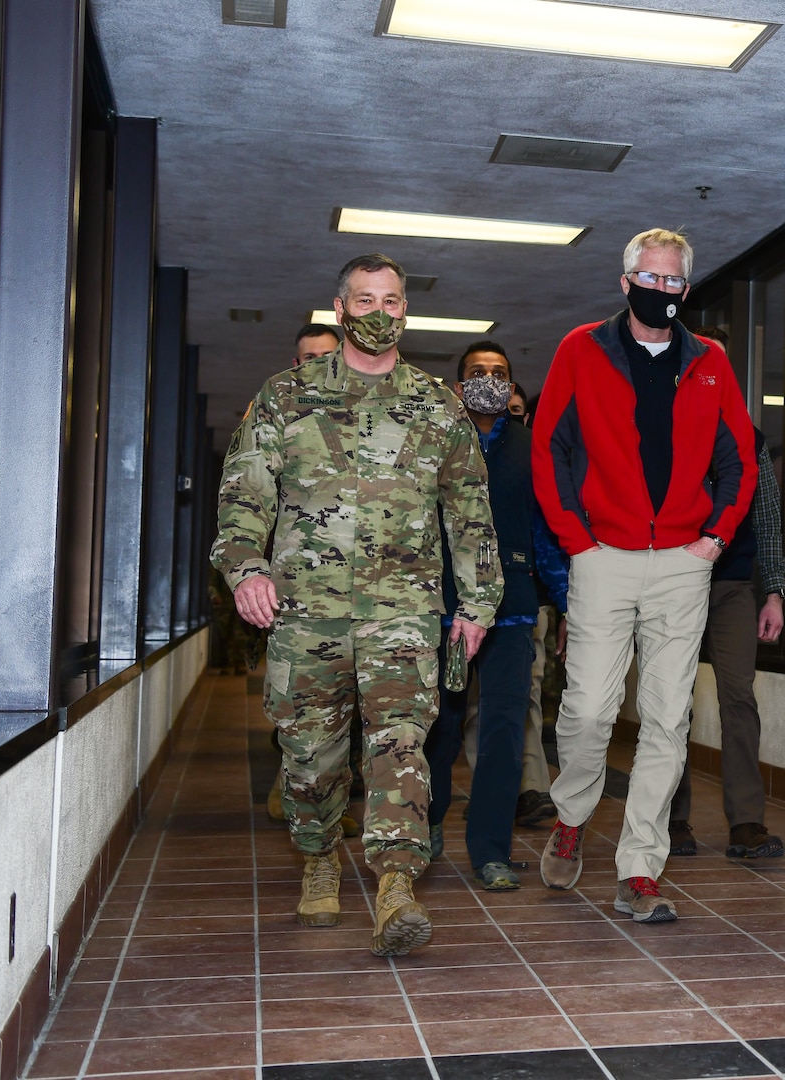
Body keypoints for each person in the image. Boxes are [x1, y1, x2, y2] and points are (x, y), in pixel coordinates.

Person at [213, 253, 502, 956]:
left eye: (392, 301)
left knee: (401, 743)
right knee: (309, 756)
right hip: (305, 613)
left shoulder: (439, 407)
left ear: (407, 310)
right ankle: (317, 856)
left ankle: (396, 885)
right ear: (341, 309)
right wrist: (247, 569)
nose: (380, 313)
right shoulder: (285, 396)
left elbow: (469, 511)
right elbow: (243, 495)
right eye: (365, 301)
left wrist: (478, 603)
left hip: (402, 610)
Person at [532, 228, 756, 923]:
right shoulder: (582, 348)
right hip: (602, 559)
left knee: (667, 718)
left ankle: (640, 866)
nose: (661, 292)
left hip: (683, 566)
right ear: (626, 282)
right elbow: (550, 449)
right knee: (591, 708)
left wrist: (713, 541)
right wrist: (579, 543)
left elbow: (740, 462)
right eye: (648, 279)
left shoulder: (711, 362)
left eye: (673, 282)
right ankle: (572, 814)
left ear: (686, 290)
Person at [424, 341, 567, 890]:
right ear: (458, 387)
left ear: (511, 387)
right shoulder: (435, 444)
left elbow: (547, 536)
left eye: (499, 373)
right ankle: (429, 824)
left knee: (506, 731)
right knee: (441, 727)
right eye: (477, 373)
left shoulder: (532, 450)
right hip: (445, 614)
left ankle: (491, 849)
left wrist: (565, 602)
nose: (489, 380)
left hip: (511, 614)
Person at [667, 327, 785, 860]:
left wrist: (776, 592)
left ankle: (746, 822)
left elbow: (767, 518)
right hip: (673, 582)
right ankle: (671, 821)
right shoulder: (662, 425)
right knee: (671, 703)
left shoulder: (749, 436)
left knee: (739, 697)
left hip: (733, 586)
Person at [265, 323, 364, 834]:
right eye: (307, 358)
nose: (316, 366)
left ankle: (337, 805)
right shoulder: (278, 408)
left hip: (371, 605)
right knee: (304, 723)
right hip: (298, 598)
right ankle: (304, 800)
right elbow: (248, 494)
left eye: (326, 356)